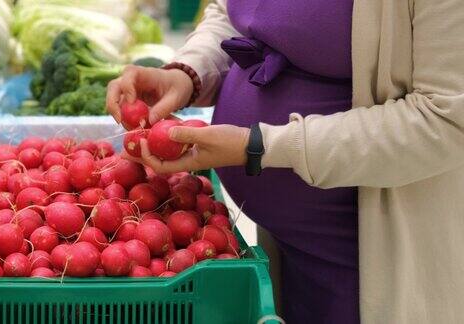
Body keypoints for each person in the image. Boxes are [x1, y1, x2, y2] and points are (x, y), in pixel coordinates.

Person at [106, 0, 464, 323]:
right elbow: (238, 16)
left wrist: (264, 145)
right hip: (280, 247)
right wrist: (188, 73)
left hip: (365, 256)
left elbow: (445, 120)